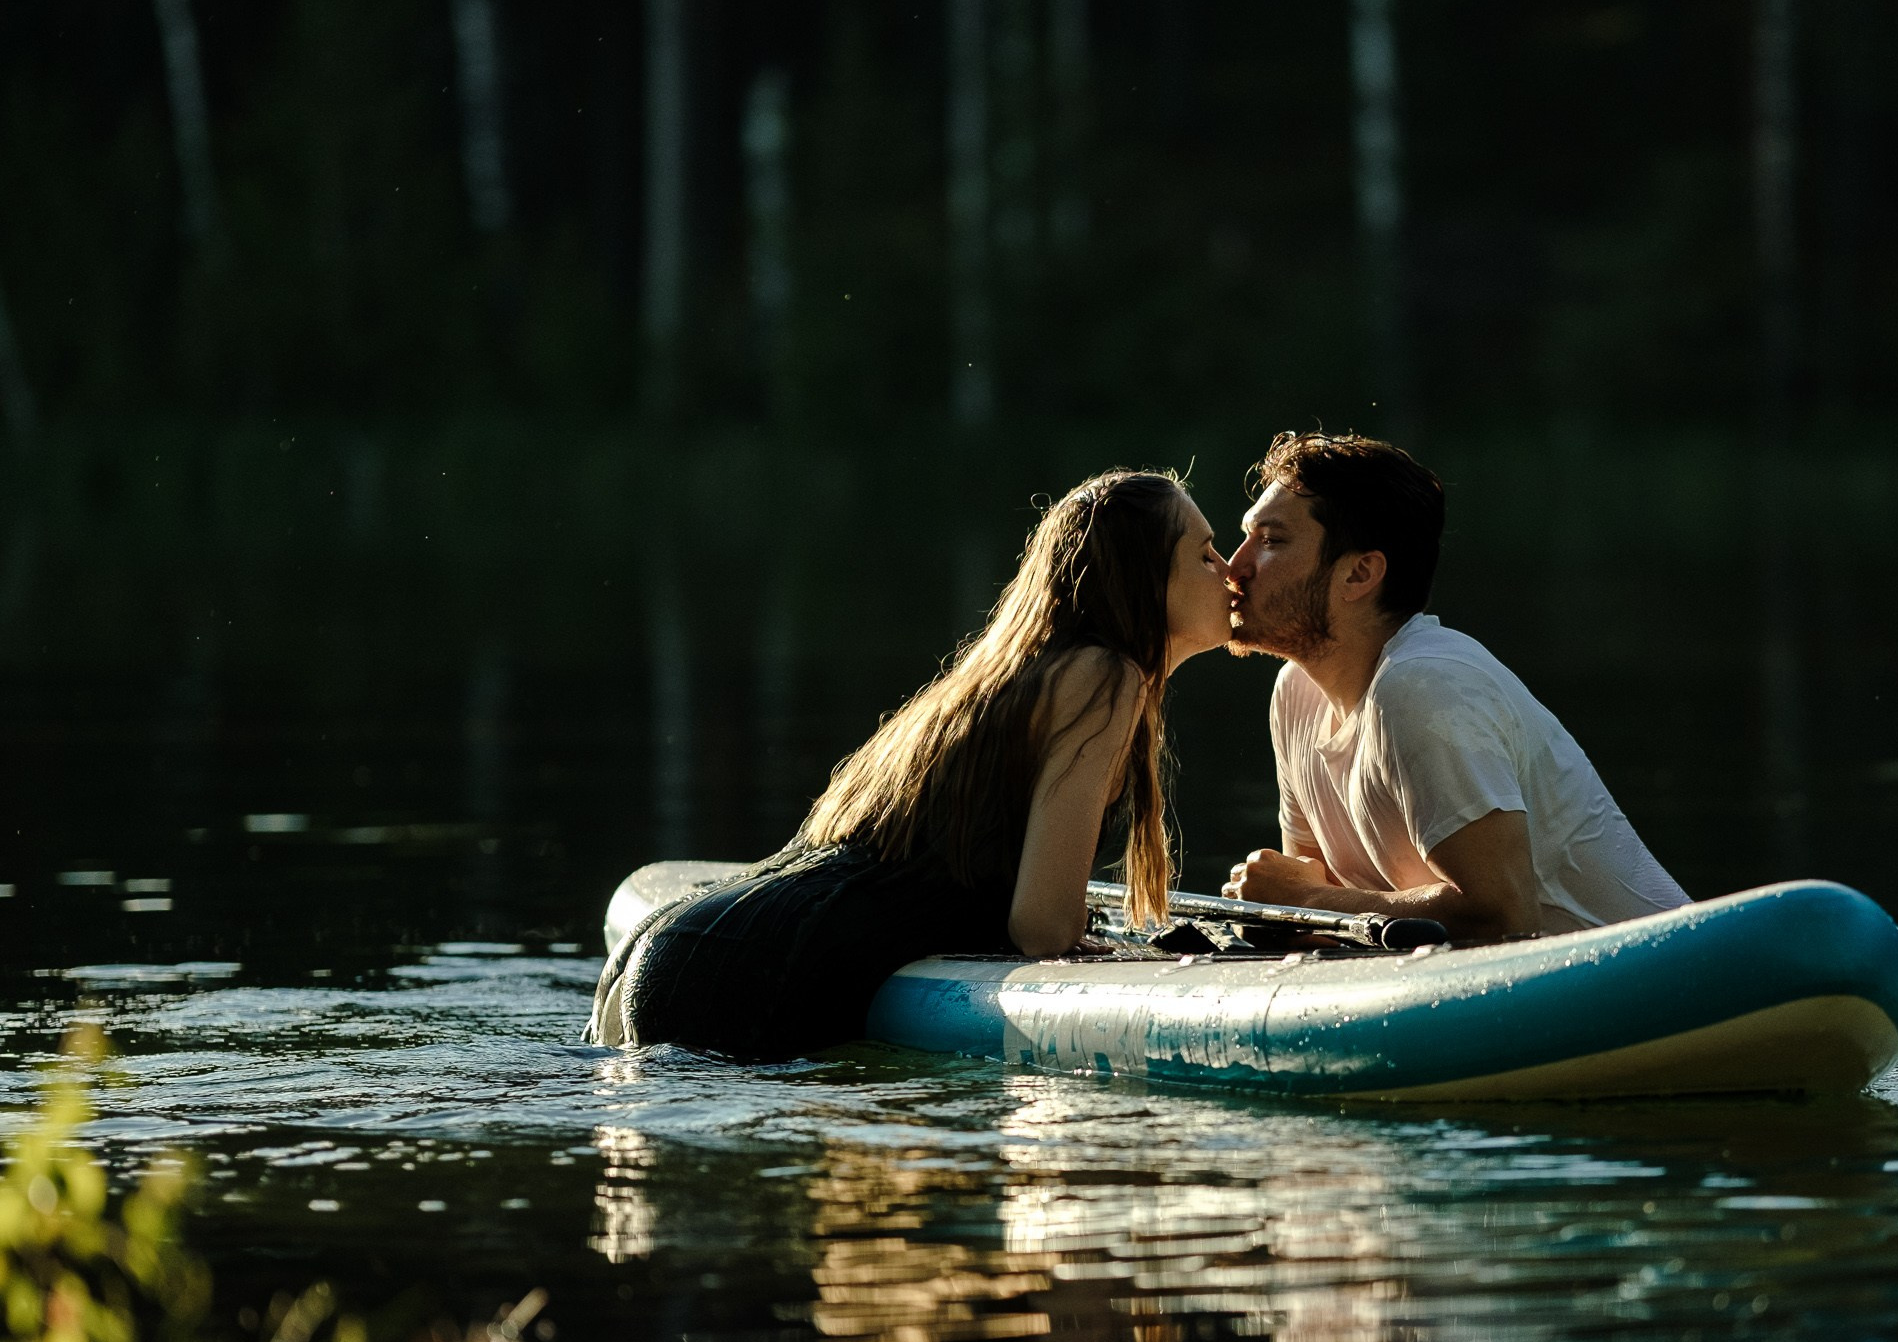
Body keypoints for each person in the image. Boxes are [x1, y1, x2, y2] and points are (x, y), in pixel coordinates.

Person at [590, 470, 1233, 1060]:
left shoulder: (1022, 674)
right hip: (748, 968)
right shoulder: (1102, 677)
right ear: (1140, 576)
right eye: (1204, 554)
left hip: (692, 944)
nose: (1227, 571)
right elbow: (1041, 927)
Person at [1221, 430, 1687, 945]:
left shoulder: (1423, 686)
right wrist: (1289, 907)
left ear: (1358, 574)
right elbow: (1317, 909)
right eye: (1246, 536)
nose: (1234, 566)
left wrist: (1303, 903)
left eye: (1271, 541)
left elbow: (1504, 918)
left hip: (1659, 988)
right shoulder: (1297, 694)